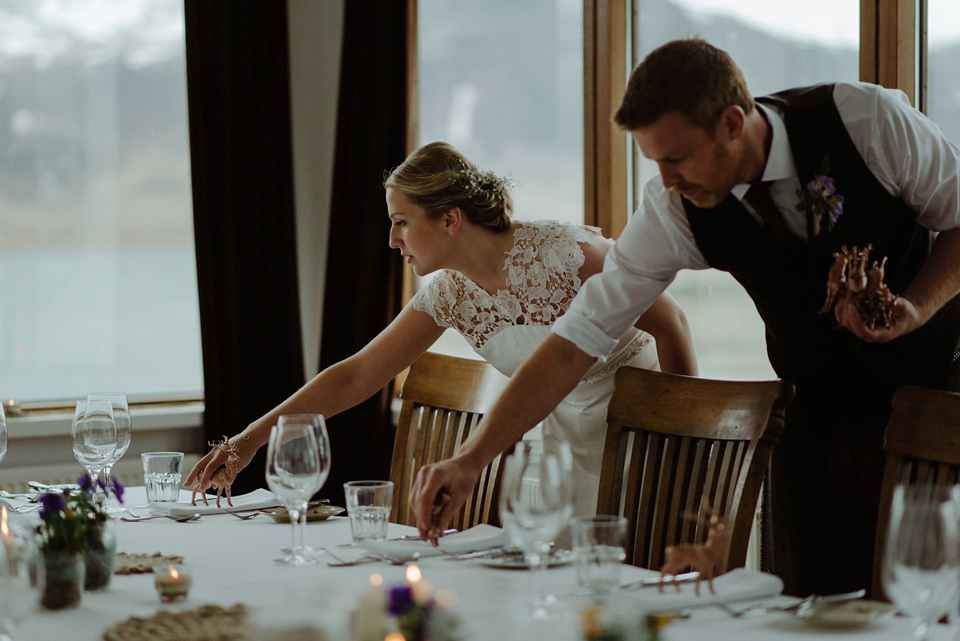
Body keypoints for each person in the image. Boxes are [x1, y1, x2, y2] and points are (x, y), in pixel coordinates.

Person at [411, 39, 960, 597]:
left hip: (938, 394)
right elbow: (573, 343)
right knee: (807, 612)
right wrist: (471, 460)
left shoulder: (865, 121)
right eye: (654, 161)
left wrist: (914, 307)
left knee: (934, 599)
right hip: (815, 415)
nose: (666, 179)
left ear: (731, 123)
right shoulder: (674, 211)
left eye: (676, 158)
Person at [185, 141, 697, 519]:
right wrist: (250, 442)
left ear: (450, 220)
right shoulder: (449, 293)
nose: (391, 240)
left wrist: (682, 450)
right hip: (562, 453)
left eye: (401, 222)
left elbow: (672, 324)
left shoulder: (562, 254)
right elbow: (358, 374)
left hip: (643, 442)